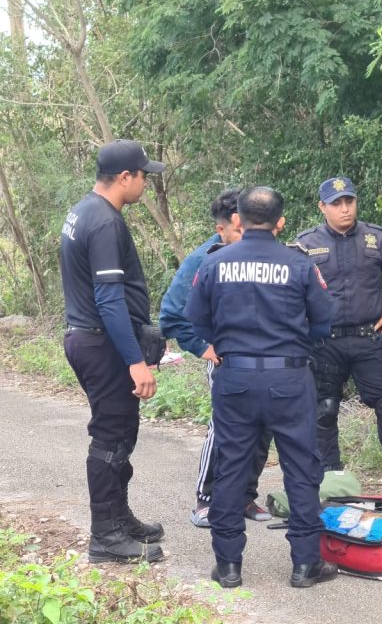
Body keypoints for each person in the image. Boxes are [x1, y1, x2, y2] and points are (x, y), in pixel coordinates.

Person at [184, 186, 338, 588]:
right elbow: (323, 321)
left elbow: (195, 320)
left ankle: (228, 566)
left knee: (231, 467)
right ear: (280, 222)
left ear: (238, 219)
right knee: (301, 469)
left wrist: (228, 343)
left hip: (234, 378)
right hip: (289, 378)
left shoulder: (215, 263)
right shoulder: (300, 264)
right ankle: (305, 565)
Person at [60, 139, 167, 564]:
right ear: (125, 177)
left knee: (122, 433)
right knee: (110, 438)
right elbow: (109, 300)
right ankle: (105, 536)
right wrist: (135, 361)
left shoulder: (83, 210)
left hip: (90, 337)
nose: (145, 183)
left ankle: (119, 519)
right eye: (143, 175)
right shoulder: (105, 222)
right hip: (100, 343)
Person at [297, 176, 382, 493]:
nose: (345, 209)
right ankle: (330, 474)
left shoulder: (376, 238)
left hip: (369, 338)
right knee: (324, 409)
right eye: (336, 204)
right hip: (324, 342)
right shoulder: (306, 244)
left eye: (349, 201)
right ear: (322, 207)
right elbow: (291, 288)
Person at [159, 189, 273, 528]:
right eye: (239, 230)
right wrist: (202, 347)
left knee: (262, 425)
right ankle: (206, 499)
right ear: (222, 228)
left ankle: (244, 495)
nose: (247, 235)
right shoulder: (203, 259)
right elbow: (171, 313)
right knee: (226, 425)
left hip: (266, 358)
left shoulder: (265, 254)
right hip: (225, 358)